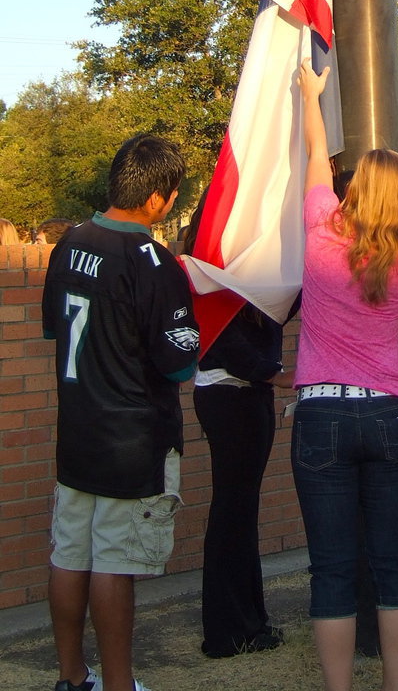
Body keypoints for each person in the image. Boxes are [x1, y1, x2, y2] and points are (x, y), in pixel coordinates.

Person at [291, 59, 398, 691]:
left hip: (321, 411)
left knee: (332, 569)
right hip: (389, 412)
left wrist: (312, 95)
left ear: (354, 189)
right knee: (397, 563)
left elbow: (318, 157)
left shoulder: (322, 226)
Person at [41, 134, 199, 691]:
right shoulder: (152, 262)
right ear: (158, 198)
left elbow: (53, 331)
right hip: (133, 439)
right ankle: (118, 684)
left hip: (77, 431)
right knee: (114, 563)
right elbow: (180, 364)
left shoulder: (70, 243)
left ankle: (70, 676)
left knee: (69, 555)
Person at [184, 191, 296, 658]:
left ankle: (249, 621)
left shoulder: (245, 262)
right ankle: (228, 630)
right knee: (233, 512)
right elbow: (222, 339)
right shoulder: (210, 265)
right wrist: (275, 374)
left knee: (240, 511)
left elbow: (282, 306)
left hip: (245, 396)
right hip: (230, 395)